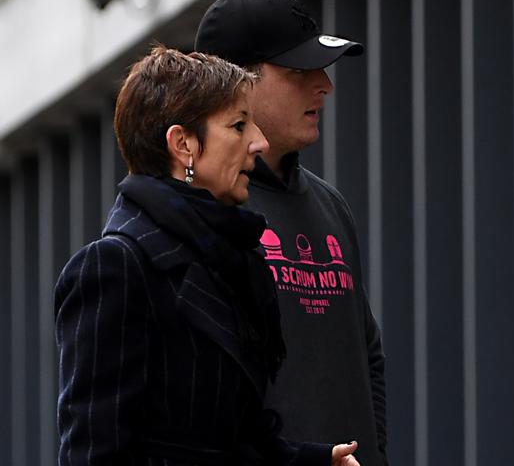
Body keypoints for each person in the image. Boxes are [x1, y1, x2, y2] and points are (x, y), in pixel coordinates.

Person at [54, 46, 360, 466]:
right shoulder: (116, 267)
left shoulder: (230, 256)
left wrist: (317, 460)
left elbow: (237, 438)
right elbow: (94, 452)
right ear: (183, 145)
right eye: (238, 125)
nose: (259, 141)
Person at [195, 0, 387, 465]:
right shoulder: (198, 213)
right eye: (298, 71)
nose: (324, 84)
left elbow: (368, 358)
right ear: (237, 85)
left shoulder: (330, 205)